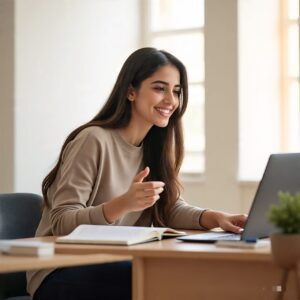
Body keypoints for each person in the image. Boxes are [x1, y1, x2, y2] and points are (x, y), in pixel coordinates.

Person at [27, 47, 247, 300]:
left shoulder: (157, 145)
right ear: (131, 91)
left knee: (190, 272)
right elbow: (62, 223)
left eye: (176, 91)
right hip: (61, 270)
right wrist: (121, 205)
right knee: (161, 279)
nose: (170, 100)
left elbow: (169, 208)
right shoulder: (92, 140)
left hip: (117, 262)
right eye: (159, 88)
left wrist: (216, 218)